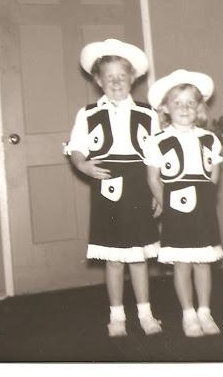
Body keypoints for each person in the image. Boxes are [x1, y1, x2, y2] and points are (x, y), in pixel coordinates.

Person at [66, 38, 162, 337]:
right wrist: (83, 165)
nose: (116, 82)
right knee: (114, 257)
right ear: (98, 80)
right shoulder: (88, 114)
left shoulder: (148, 114)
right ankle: (117, 315)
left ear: (133, 78)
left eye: (122, 76)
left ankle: (145, 313)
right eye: (109, 77)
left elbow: (156, 157)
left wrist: (158, 192)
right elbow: (77, 148)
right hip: (106, 185)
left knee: (138, 256)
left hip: (139, 185)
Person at [144, 69, 223, 337]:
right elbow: (154, 179)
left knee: (202, 261)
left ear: (200, 108)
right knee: (182, 263)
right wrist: (166, 205)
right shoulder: (158, 141)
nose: (184, 108)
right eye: (177, 102)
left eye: (191, 102)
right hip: (175, 207)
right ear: (165, 108)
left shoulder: (209, 139)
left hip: (202, 207)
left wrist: (207, 197)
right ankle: (188, 314)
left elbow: (214, 171)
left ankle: (205, 311)